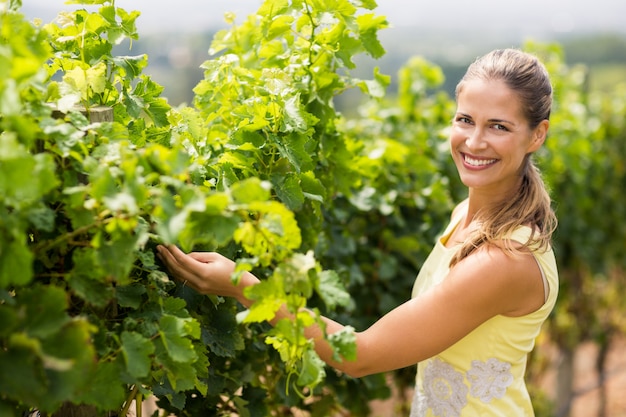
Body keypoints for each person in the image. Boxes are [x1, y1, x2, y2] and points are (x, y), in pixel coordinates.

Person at [157, 48, 559, 417]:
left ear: (536, 135)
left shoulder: (504, 259)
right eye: (465, 119)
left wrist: (243, 286)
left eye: (499, 127)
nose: (474, 140)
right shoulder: (465, 217)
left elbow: (359, 355)